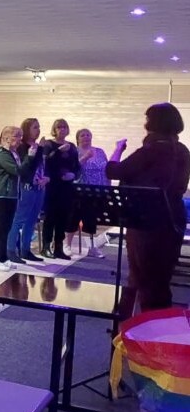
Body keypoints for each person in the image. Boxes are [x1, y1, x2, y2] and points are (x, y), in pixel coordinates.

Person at [106, 103, 190, 319]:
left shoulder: (151, 150)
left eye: (148, 119)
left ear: (154, 123)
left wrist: (118, 149)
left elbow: (113, 170)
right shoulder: (182, 150)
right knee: (160, 278)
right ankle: (150, 327)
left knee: (143, 279)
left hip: (146, 219)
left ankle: (143, 329)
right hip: (173, 218)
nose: (145, 124)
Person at [0, 126, 35, 270]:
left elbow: (24, 172)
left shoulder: (13, 154)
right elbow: (17, 171)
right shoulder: (1, 154)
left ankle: (3, 257)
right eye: (17, 137)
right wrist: (30, 156)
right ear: (6, 138)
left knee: (6, 227)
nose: (20, 140)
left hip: (11, 194)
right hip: (1, 193)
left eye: (20, 136)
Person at [8, 118, 48, 262]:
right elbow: (28, 167)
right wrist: (40, 150)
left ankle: (26, 249)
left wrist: (46, 178)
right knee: (19, 219)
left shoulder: (36, 146)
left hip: (40, 186)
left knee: (32, 220)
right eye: (35, 127)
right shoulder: (22, 147)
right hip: (26, 186)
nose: (38, 130)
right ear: (26, 129)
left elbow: (42, 165)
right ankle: (11, 250)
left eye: (39, 127)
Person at [66, 128, 110, 257]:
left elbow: (106, 169)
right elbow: (73, 168)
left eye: (88, 135)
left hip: (97, 190)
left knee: (91, 218)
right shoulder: (74, 152)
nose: (86, 137)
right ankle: (67, 244)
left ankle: (92, 246)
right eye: (82, 135)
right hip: (79, 189)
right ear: (78, 138)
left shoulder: (100, 151)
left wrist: (107, 186)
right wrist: (85, 157)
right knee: (74, 217)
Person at [40, 118, 79, 260]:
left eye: (64, 127)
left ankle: (58, 248)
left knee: (63, 217)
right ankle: (45, 247)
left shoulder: (72, 146)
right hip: (53, 185)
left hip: (67, 187)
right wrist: (57, 151)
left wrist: (73, 175)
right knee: (50, 217)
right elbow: (46, 162)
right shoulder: (50, 144)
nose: (62, 129)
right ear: (54, 130)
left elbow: (77, 166)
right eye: (59, 127)